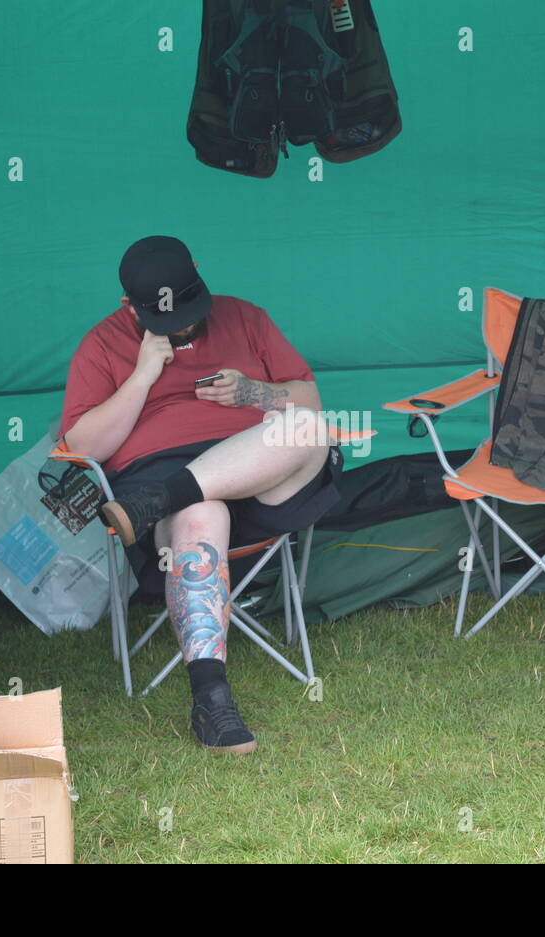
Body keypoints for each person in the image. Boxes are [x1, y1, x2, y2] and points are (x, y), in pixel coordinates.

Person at [60, 236, 341, 753]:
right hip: (166, 480)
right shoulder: (102, 344)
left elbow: (310, 400)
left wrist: (254, 393)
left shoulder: (245, 318)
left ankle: (161, 499)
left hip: (257, 475)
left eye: (190, 311)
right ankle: (212, 702)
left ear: (199, 276)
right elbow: (82, 448)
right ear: (130, 307)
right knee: (200, 515)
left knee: (307, 427)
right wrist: (143, 376)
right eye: (168, 320)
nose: (184, 326)